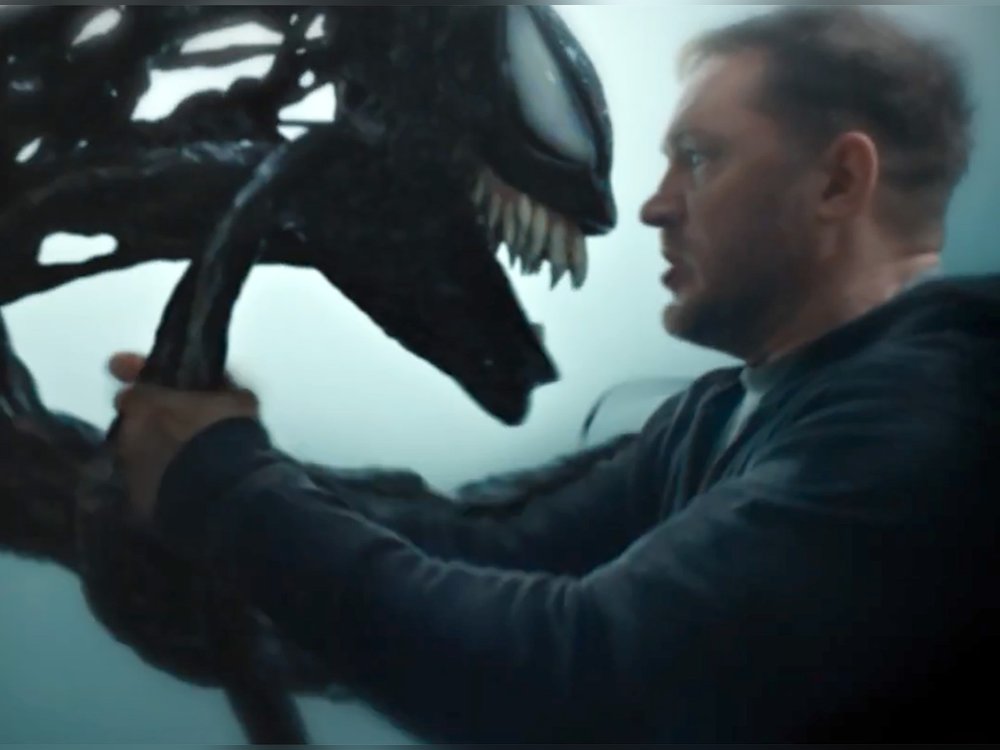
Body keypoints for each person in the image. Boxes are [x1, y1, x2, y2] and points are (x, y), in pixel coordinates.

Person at [110, 6, 1000, 742]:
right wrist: (206, 454)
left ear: (839, 182)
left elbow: (576, 673)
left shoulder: (920, 425)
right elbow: (493, 544)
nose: (652, 206)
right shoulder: (724, 413)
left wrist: (224, 483)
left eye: (700, 157)